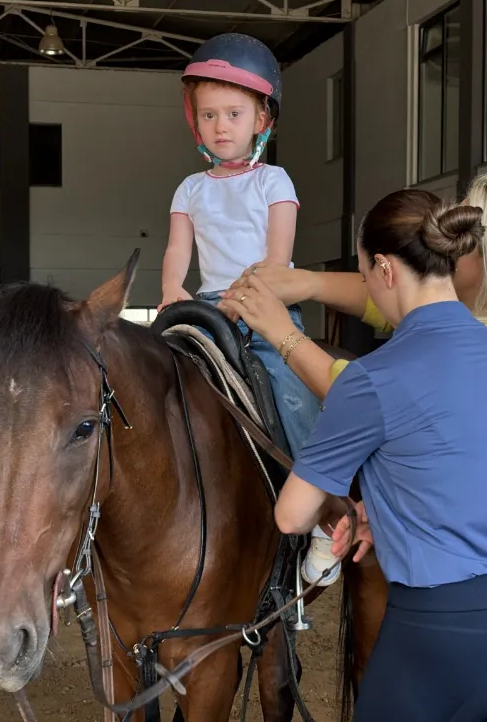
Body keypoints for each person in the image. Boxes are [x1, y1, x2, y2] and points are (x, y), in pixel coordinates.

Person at [223, 188, 487, 720]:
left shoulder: (372, 380)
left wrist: (339, 508)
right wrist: (383, 513)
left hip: (442, 630)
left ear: (382, 268)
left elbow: (291, 516)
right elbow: (481, 473)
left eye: (361, 274)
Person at [156, 33, 335, 585]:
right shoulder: (189, 189)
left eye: (234, 113)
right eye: (208, 115)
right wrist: (170, 292)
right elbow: (176, 252)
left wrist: (245, 303)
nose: (221, 126)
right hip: (207, 307)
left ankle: (325, 507)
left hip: (264, 303)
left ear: (262, 118)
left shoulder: (273, 181)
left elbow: (276, 259)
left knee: (289, 384)